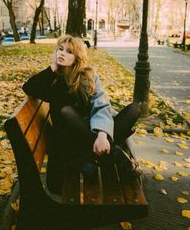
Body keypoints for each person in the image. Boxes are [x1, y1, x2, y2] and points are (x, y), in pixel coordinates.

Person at [22, 35, 142, 195]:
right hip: (73, 141)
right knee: (66, 110)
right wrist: (52, 67)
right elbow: (29, 88)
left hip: (92, 132)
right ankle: (112, 153)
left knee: (134, 109)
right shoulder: (54, 80)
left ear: (77, 57)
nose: (62, 54)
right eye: (60, 49)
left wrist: (102, 135)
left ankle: (106, 151)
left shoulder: (88, 76)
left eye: (69, 51)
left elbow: (101, 105)